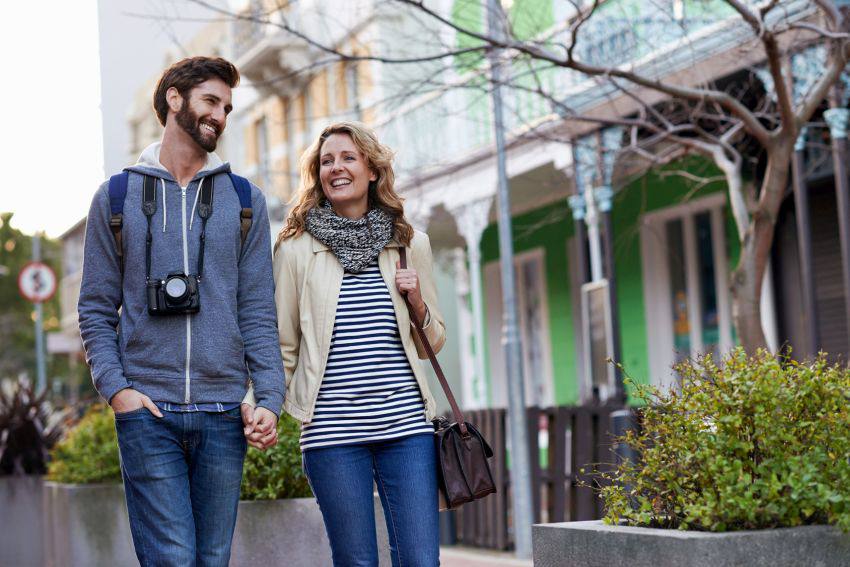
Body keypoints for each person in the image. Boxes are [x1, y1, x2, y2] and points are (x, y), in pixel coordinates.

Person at [78, 56, 284, 567]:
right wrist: (117, 390)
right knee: (172, 558)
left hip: (222, 413)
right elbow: (96, 309)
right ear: (175, 98)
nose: (220, 115)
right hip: (149, 411)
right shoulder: (117, 197)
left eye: (228, 107)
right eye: (211, 101)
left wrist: (270, 398)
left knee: (211, 559)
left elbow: (257, 308)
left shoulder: (244, 200)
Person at [242, 121, 446, 566]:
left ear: (372, 170)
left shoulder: (410, 244)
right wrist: (259, 403)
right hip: (333, 435)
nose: (336, 168)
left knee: (421, 560)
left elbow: (433, 344)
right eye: (326, 161)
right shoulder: (294, 251)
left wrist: (415, 300)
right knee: (355, 562)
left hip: (407, 429)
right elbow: (282, 344)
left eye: (348, 158)